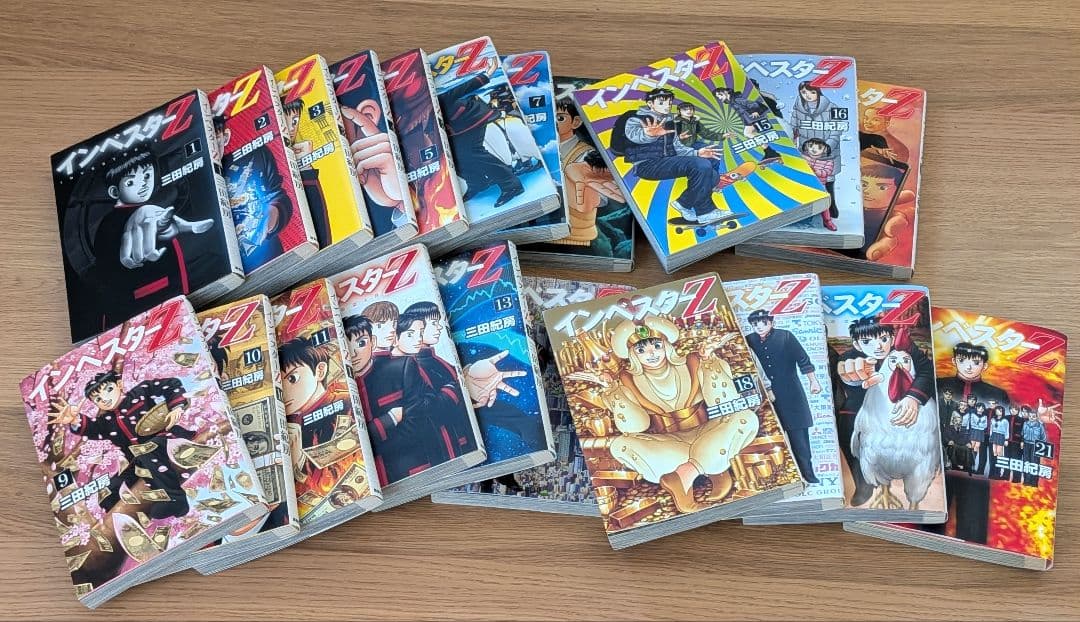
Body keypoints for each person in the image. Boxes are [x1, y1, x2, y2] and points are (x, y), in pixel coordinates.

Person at [564, 316, 758, 513]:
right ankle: (713, 465)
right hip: (671, 443)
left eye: (657, 346)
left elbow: (724, 401)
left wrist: (708, 360)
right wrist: (611, 388)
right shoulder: (627, 379)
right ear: (632, 355)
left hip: (710, 430)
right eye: (641, 350)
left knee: (746, 418)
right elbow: (634, 426)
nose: (651, 354)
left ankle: (685, 475)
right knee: (622, 444)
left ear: (666, 345)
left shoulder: (692, 361)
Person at [47, 370, 195, 519]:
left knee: (147, 451)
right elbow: (91, 428)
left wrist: (176, 407)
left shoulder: (141, 392)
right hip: (138, 461)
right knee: (109, 492)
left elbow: (172, 384)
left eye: (109, 390)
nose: (105, 399)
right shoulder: (106, 421)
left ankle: (176, 500)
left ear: (119, 384)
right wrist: (75, 420)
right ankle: (138, 517)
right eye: (98, 399)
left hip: (166, 440)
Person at [835, 315, 935, 506]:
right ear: (857, 344)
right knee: (849, 427)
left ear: (892, 337)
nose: (879, 346)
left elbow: (926, 370)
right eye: (867, 341)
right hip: (866, 409)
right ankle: (863, 483)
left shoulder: (906, 349)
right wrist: (852, 377)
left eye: (883, 339)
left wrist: (913, 397)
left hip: (904, 410)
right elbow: (848, 375)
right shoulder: (850, 358)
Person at [611, 88, 729, 224]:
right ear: (650, 104)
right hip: (647, 164)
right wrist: (649, 135)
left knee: (712, 172)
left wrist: (697, 153)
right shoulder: (635, 118)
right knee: (701, 165)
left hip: (667, 160)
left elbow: (677, 147)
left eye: (669, 102)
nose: (667, 106)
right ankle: (704, 211)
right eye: (661, 102)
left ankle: (686, 204)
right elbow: (635, 136)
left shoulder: (670, 122)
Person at [742, 309, 822, 483]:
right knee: (771, 434)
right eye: (755, 324)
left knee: (799, 434)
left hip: (791, 392)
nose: (759, 327)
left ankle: (808, 473)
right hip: (764, 395)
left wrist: (813, 381)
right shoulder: (748, 340)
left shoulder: (785, 336)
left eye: (764, 323)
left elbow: (803, 359)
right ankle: (784, 476)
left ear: (771, 322)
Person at [436, 61, 524, 207]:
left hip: (472, 117)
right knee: (453, 156)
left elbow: (462, 89)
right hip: (456, 131)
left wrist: (487, 74)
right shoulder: (408, 119)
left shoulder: (435, 101)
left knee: (472, 153)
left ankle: (512, 185)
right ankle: (478, 182)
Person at [1020, 405, 1047, 487]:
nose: (1031, 418)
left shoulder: (1040, 426)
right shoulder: (1025, 424)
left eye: (1034, 416)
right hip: (1026, 444)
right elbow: (1022, 434)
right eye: (1030, 416)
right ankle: (1026, 480)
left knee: (1035, 463)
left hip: (1036, 445)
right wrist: (1022, 441)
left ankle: (1034, 482)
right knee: (1026, 462)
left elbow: (1043, 438)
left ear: (1036, 417)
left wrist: (1041, 448)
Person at [988, 405, 1010, 479]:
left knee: (999, 455)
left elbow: (1007, 430)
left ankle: (998, 473)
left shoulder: (1005, 421)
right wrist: (990, 436)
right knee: (993, 454)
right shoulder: (993, 419)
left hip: (1001, 436)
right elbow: (991, 429)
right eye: (997, 410)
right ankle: (992, 473)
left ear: (1002, 412)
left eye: (1000, 410)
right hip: (994, 436)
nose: (998, 412)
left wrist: (1006, 439)